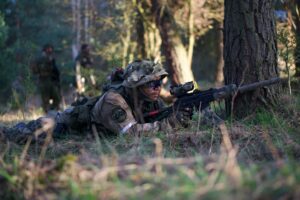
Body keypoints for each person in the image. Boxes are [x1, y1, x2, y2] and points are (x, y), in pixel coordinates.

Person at [1, 60, 216, 143]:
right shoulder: (114, 100)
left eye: (160, 81)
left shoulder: (147, 97)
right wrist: (170, 123)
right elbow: (131, 133)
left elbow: (158, 116)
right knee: (18, 134)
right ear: (136, 85)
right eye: (152, 83)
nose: (158, 87)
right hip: (64, 126)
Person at [31, 44, 61, 113]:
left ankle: (53, 112)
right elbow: (35, 70)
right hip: (43, 81)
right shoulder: (40, 58)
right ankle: (48, 114)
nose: (50, 50)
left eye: (51, 48)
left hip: (51, 81)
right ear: (45, 49)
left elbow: (54, 70)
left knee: (57, 98)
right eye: (49, 48)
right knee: (45, 100)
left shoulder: (51, 58)